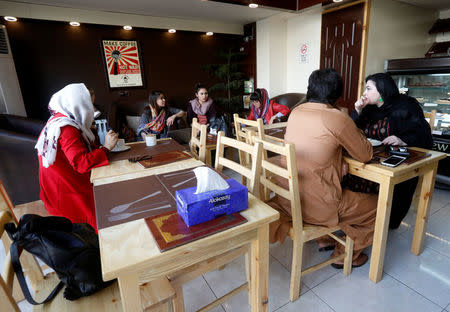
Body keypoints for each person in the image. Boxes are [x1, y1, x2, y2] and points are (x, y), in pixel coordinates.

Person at [270, 68, 378, 268]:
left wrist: (337, 159)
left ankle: (324, 237)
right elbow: (366, 154)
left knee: (335, 190)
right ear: (338, 93)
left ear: (310, 89)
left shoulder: (296, 112)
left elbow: (316, 147)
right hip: (316, 207)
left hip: (288, 199)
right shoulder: (338, 118)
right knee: (379, 206)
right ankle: (346, 254)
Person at [348, 73, 433, 229]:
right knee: (346, 173)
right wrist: (357, 110)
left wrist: (402, 139)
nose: (364, 94)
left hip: (397, 164)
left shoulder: (406, 106)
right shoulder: (369, 108)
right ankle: (361, 214)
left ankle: (381, 217)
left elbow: (423, 134)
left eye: (368, 89)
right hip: (371, 159)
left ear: (382, 90)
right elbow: (349, 132)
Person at [35, 83, 118, 230]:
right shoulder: (67, 128)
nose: (91, 111)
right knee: (93, 219)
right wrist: (106, 148)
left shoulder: (58, 118)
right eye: (88, 105)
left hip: (53, 182)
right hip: (65, 185)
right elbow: (81, 164)